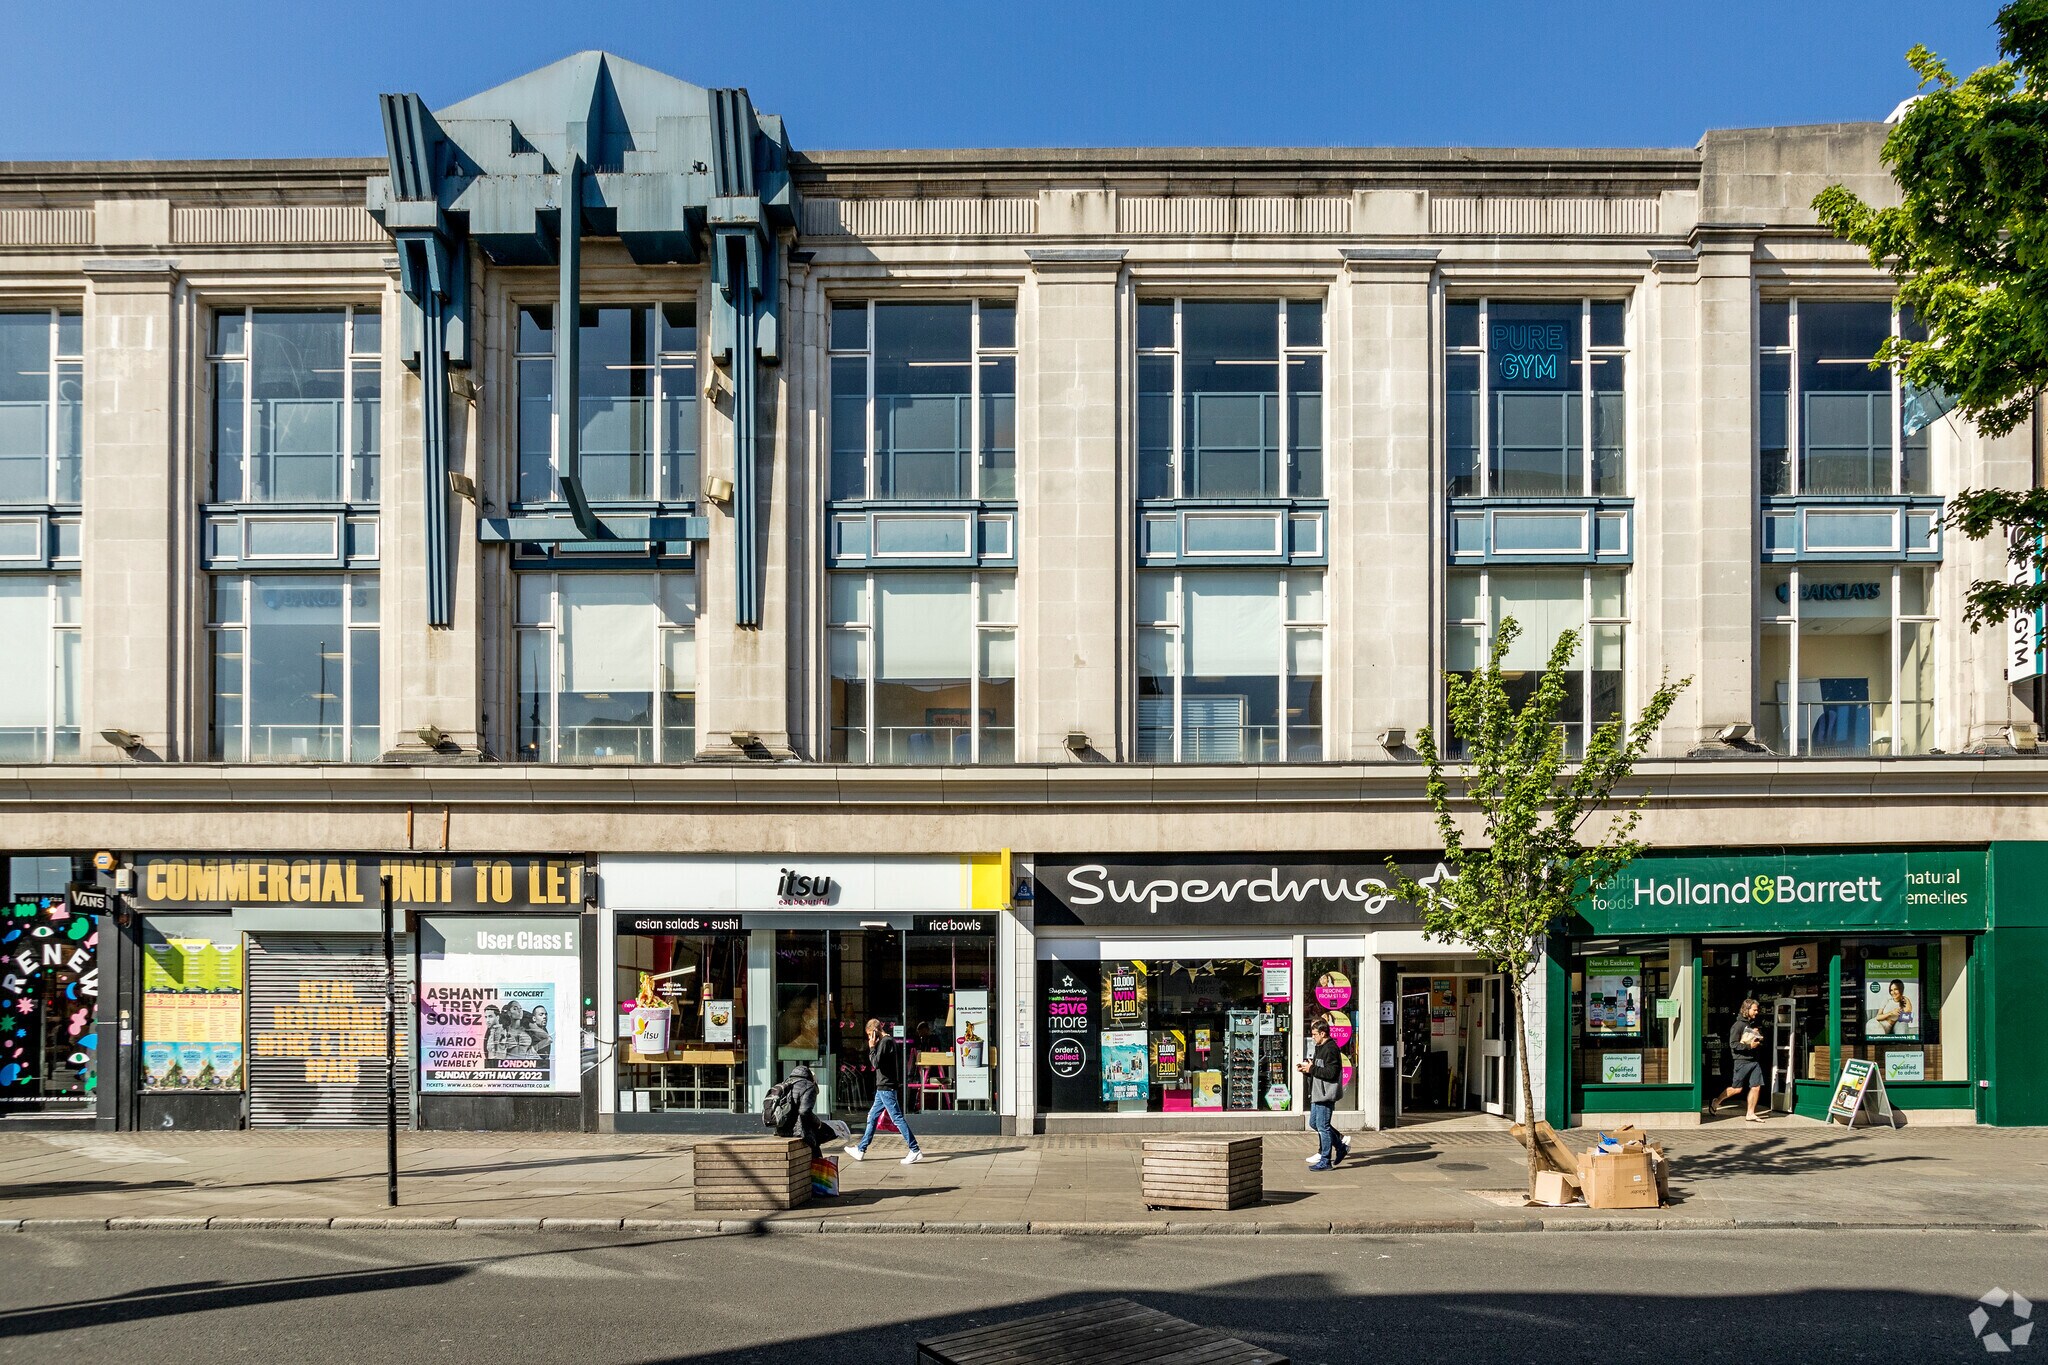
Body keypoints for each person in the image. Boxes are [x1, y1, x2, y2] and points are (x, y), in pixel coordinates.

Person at [845, 1017, 923, 1165]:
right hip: (884, 1088)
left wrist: (871, 1047)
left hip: (886, 1087)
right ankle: (861, 1149)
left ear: (874, 1032)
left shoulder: (885, 1042)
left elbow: (875, 1063)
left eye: (869, 1035)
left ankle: (915, 1149)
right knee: (872, 1117)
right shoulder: (888, 1041)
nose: (869, 1038)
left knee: (897, 1118)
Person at [1296, 1016, 1349, 1170]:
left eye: (1315, 1034)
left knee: (1323, 1126)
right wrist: (1307, 1070)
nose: (1313, 1038)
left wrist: (1311, 1069)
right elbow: (1318, 1069)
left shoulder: (1331, 1048)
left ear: (1323, 1033)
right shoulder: (1320, 1047)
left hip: (1326, 1093)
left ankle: (1326, 1160)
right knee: (1314, 1123)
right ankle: (1340, 1146)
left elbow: (1332, 1073)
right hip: (1317, 1091)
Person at [1708, 998, 1768, 1123]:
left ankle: (1750, 1113)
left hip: (1754, 1060)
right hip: (1741, 1061)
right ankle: (1717, 1101)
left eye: (1757, 1010)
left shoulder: (1751, 1024)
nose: (1757, 1012)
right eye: (1754, 1010)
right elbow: (1733, 1044)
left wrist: (1758, 1039)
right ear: (1747, 1010)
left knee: (1756, 1086)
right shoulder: (1738, 1025)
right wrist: (1749, 1046)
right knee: (1737, 1089)